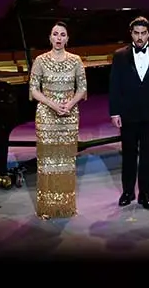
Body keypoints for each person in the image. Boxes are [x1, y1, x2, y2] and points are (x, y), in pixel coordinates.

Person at [108, 16, 149, 211]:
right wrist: (115, 112)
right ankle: (128, 192)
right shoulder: (120, 55)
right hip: (128, 114)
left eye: (143, 33)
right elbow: (114, 85)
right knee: (128, 155)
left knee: (148, 156)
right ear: (131, 33)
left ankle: (145, 194)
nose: (139, 37)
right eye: (136, 33)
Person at [28, 21, 87, 218]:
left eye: (63, 34)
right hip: (46, 115)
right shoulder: (40, 60)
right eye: (55, 34)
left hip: (69, 116)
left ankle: (67, 206)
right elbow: (33, 90)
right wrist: (53, 105)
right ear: (50, 37)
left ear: (67, 38)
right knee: (47, 161)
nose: (59, 38)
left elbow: (83, 89)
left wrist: (69, 104)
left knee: (67, 161)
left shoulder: (76, 60)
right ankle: (46, 208)